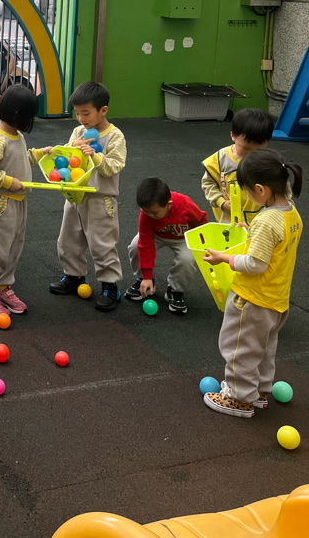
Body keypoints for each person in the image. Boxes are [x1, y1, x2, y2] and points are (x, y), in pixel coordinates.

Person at [202, 149, 302, 418]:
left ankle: (239, 398)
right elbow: (275, 249)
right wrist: (251, 234)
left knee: (239, 348)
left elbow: (256, 264)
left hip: (252, 300)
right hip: (276, 300)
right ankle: (259, 391)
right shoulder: (290, 212)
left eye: (247, 190)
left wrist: (224, 258)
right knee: (264, 347)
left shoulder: (267, 220)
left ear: (260, 189)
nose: (246, 196)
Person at [0, 85, 52, 318]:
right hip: (1, 203)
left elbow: (20, 158)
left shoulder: (16, 135)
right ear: (18, 114)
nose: (31, 121)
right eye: (29, 116)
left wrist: (40, 153)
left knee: (14, 247)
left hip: (17, 201)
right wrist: (7, 181)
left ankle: (3, 286)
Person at [50, 81, 127, 312]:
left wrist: (94, 155)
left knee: (102, 243)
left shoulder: (115, 136)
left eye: (86, 113)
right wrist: (72, 147)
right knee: (68, 239)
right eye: (77, 113)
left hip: (100, 198)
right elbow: (67, 158)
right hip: (75, 195)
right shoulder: (78, 132)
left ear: (103, 110)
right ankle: (73, 276)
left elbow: (114, 166)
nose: (81, 119)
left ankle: (110, 285)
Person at [125, 177, 207, 315]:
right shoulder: (146, 215)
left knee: (187, 259)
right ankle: (145, 281)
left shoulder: (185, 204)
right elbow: (145, 243)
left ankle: (175, 290)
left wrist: (202, 243)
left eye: (154, 213)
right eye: (146, 211)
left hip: (183, 238)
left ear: (169, 205)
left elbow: (201, 221)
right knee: (135, 246)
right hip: (156, 236)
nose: (150, 215)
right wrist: (147, 275)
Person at [202, 108, 273, 225]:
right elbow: (208, 184)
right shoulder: (219, 161)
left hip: (261, 221)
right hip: (230, 220)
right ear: (233, 136)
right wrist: (221, 202)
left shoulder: (269, 161)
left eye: (258, 150)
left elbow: (281, 188)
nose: (251, 155)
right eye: (246, 148)